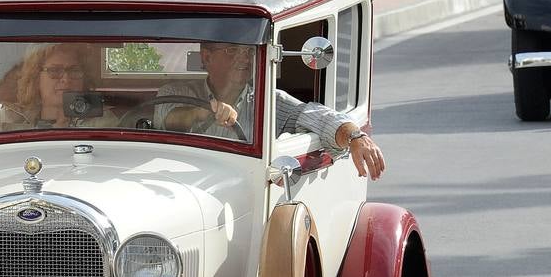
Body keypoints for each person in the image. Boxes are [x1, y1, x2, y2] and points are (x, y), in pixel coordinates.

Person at [155, 41, 386, 181]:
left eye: (249, 51)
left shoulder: (270, 101)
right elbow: (168, 119)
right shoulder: (175, 92)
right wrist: (202, 112)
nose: (244, 58)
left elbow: (316, 116)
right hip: (172, 179)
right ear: (207, 56)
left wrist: (355, 137)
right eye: (232, 50)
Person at [0, 42, 109, 131]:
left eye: (74, 70)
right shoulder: (10, 118)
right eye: (55, 70)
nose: (66, 79)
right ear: (36, 78)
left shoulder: (102, 120)